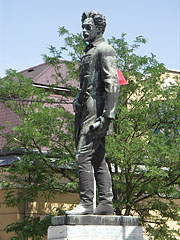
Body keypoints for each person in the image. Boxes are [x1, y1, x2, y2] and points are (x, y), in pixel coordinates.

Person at [66, 10, 120, 215]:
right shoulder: (90, 51)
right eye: (83, 27)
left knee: (83, 156)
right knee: (97, 158)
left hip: (96, 109)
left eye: (88, 27)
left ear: (99, 29)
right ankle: (106, 203)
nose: (84, 31)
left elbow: (112, 83)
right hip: (85, 107)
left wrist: (108, 116)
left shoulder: (105, 50)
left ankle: (87, 203)